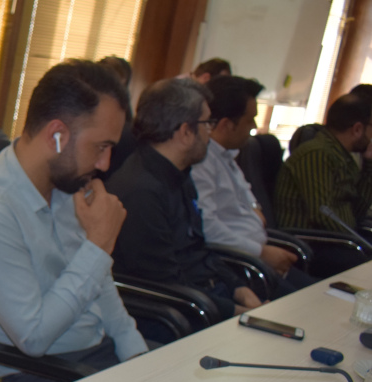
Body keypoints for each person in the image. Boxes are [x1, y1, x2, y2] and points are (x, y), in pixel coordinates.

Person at [0, 60, 146, 382]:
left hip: (94, 355)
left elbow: (100, 287)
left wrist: (137, 356)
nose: (105, 164)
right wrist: (99, 244)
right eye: (101, 147)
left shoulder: (66, 185)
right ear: (57, 135)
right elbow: (34, 338)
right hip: (32, 376)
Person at [106, 78, 262, 320]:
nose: (210, 133)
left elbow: (199, 249)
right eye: (207, 123)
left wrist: (239, 288)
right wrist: (238, 313)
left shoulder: (180, 174)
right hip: (181, 311)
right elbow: (166, 284)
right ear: (186, 132)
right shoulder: (141, 193)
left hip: (206, 296)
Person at [192, 75, 314, 292]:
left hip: (255, 255)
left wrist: (255, 211)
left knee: (321, 294)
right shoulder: (202, 162)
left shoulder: (227, 155)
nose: (254, 126)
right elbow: (207, 228)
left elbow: (249, 197)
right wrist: (260, 252)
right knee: (313, 302)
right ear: (226, 124)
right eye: (250, 120)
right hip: (238, 264)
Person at [275, 93, 372, 240]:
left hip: (339, 240)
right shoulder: (317, 154)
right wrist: (357, 242)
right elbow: (323, 215)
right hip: (314, 242)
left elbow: (357, 211)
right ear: (357, 129)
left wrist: (369, 165)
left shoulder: (343, 156)